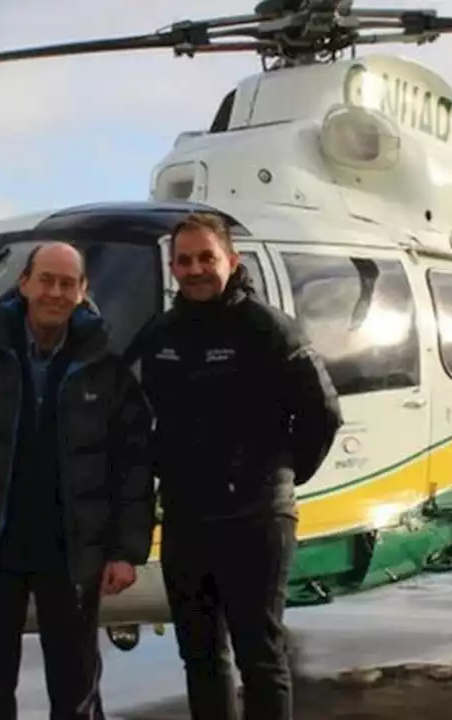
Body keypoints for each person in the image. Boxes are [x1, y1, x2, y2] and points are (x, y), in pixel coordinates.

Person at [0, 241, 155, 720]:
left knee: (76, 690)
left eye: (68, 283)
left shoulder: (106, 368)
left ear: (83, 291)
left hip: (73, 555)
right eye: (46, 279)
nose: (56, 292)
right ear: (24, 283)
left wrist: (127, 552)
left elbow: (133, 465)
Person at [125, 212, 344, 720]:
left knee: (260, 658)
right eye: (184, 260)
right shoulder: (160, 335)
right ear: (172, 267)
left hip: (255, 519)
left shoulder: (267, 329)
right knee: (200, 658)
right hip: (185, 518)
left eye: (207, 257)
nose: (195, 268)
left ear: (231, 261)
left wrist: (280, 475)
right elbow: (136, 416)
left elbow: (323, 413)